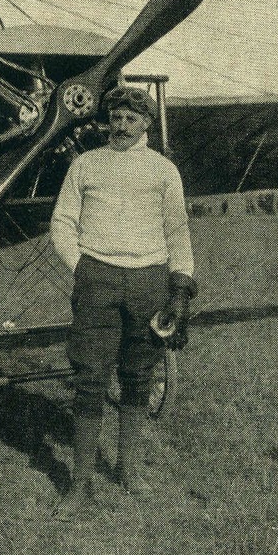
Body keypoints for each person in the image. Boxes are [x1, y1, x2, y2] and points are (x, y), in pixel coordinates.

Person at [50, 84, 197, 515]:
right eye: (115, 116)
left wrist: (181, 281)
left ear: (146, 124)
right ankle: (79, 486)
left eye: (131, 119)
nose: (121, 124)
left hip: (150, 282)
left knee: (137, 377)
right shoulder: (85, 165)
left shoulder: (164, 171)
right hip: (97, 279)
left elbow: (177, 230)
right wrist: (81, 267)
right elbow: (61, 222)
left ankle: (127, 470)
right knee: (90, 378)